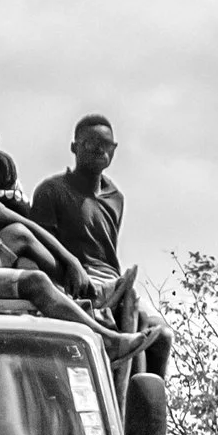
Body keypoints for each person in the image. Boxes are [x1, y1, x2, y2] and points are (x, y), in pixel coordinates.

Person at [0, 130, 156, 360]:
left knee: (19, 232)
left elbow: (28, 225)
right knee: (35, 281)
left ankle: (89, 291)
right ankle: (107, 342)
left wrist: (71, 261)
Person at [30, 114, 173, 379]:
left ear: (114, 150)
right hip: (73, 281)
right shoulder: (51, 191)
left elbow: (106, 254)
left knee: (162, 335)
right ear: (74, 147)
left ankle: (147, 410)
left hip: (113, 281)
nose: (98, 149)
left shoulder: (115, 197)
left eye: (106, 144)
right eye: (89, 143)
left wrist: (119, 286)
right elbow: (40, 248)